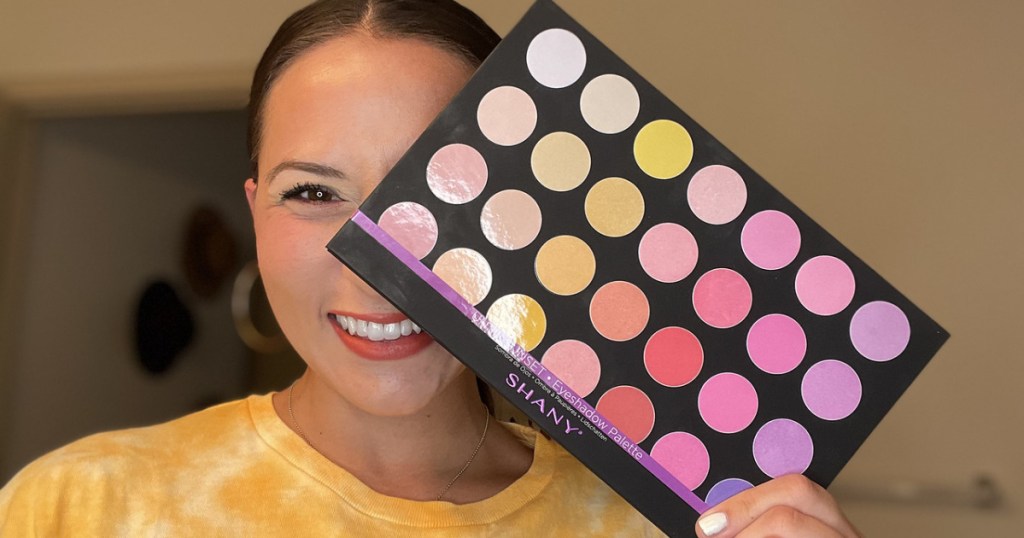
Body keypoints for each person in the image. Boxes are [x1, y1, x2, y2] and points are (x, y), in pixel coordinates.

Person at [0, 1, 861, 536]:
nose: (382, 273)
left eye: (442, 194)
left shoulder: (667, 523)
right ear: (256, 207)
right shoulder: (78, 506)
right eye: (313, 192)